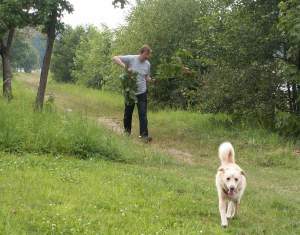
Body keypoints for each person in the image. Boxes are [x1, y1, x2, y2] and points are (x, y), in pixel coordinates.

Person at [112, 45, 154, 142]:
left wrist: (152, 80)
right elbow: (115, 58)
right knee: (128, 113)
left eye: (148, 55)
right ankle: (127, 133)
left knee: (143, 114)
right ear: (141, 53)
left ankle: (144, 136)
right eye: (146, 55)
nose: (147, 57)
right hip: (130, 92)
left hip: (142, 92)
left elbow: (146, 77)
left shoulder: (147, 64)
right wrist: (125, 67)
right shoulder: (131, 58)